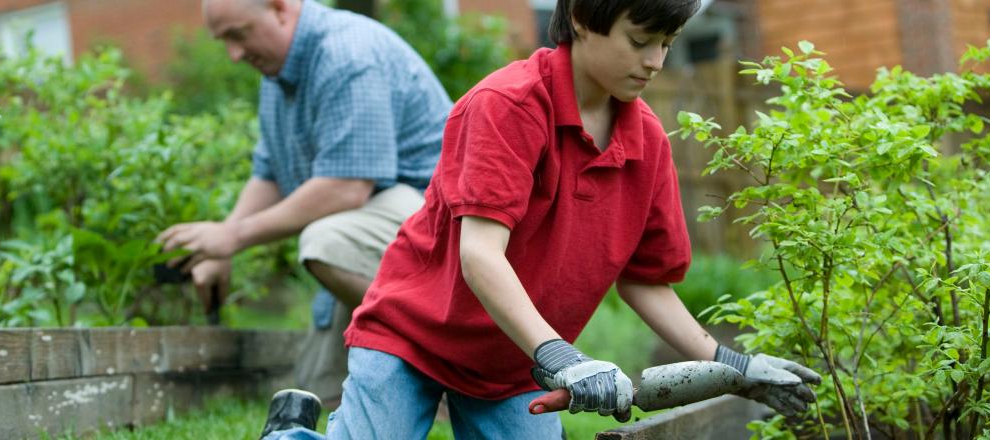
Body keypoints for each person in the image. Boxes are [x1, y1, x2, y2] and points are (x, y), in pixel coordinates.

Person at [257, 0, 823, 438]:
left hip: (511, 367)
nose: (655, 61)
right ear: (581, 18)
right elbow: (480, 254)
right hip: (413, 340)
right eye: (640, 40)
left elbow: (644, 279)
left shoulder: (646, 139)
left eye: (667, 44)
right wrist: (563, 358)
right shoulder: (507, 106)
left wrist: (734, 365)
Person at [157, 0, 453, 408]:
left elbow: (346, 187)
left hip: (440, 224)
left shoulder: (347, 54)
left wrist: (235, 236)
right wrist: (220, 245)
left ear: (280, 9)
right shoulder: (278, 76)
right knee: (320, 391)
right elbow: (271, 173)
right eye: (224, 40)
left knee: (327, 242)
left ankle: (458, 360)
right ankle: (412, 384)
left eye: (238, 34)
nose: (234, 54)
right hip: (379, 230)